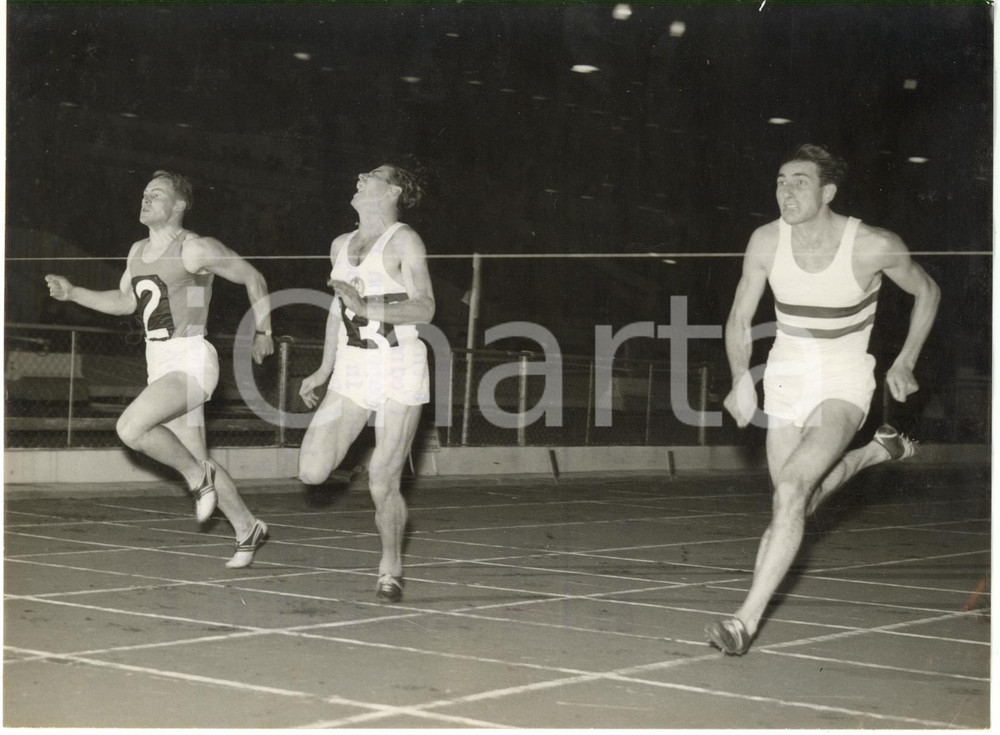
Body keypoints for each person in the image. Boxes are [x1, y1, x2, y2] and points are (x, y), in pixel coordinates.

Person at [706, 144, 940, 655]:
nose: (785, 191)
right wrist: (741, 377)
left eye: (799, 183)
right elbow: (741, 318)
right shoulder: (766, 240)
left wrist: (905, 360)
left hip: (844, 377)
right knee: (795, 500)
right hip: (787, 371)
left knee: (791, 489)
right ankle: (874, 453)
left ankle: (744, 621)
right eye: (780, 181)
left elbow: (928, 291)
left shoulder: (872, 245)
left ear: (827, 191)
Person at [45, 170, 274, 569]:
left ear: (180, 205)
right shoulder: (136, 252)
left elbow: (253, 277)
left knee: (131, 428)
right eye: (145, 194)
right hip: (159, 363)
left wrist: (264, 330)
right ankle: (246, 526)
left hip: (190, 358)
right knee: (199, 455)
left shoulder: (195, 248)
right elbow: (124, 302)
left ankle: (196, 479)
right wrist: (74, 293)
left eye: (157, 194)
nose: (146, 199)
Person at [297, 162, 435, 604]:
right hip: (353, 369)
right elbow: (339, 311)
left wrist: (367, 305)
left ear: (393, 191)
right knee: (312, 470)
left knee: (382, 481)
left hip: (399, 366)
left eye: (371, 175)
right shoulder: (340, 243)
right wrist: (323, 369)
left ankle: (390, 565)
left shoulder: (405, 241)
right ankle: (371, 458)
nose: (358, 177)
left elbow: (426, 308)